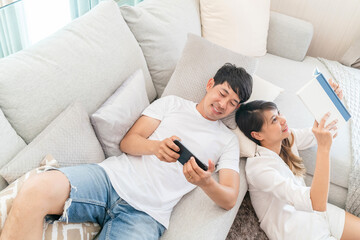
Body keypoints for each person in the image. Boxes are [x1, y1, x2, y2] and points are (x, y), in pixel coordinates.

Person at [0, 63, 253, 240]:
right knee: (35, 189)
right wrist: (155, 147)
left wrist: (206, 182)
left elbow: (229, 198)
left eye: (233, 103)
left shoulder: (227, 140)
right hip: (109, 180)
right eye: (223, 93)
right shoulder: (171, 104)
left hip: (146, 216)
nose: (223, 105)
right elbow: (128, 142)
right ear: (210, 84)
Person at [235, 79, 360, 240]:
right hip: (300, 232)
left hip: (319, 215)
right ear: (257, 135)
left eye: (279, 113)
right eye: (274, 120)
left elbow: (324, 130)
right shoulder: (259, 170)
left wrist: (333, 102)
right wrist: (324, 149)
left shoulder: (287, 138)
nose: (283, 119)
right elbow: (316, 202)